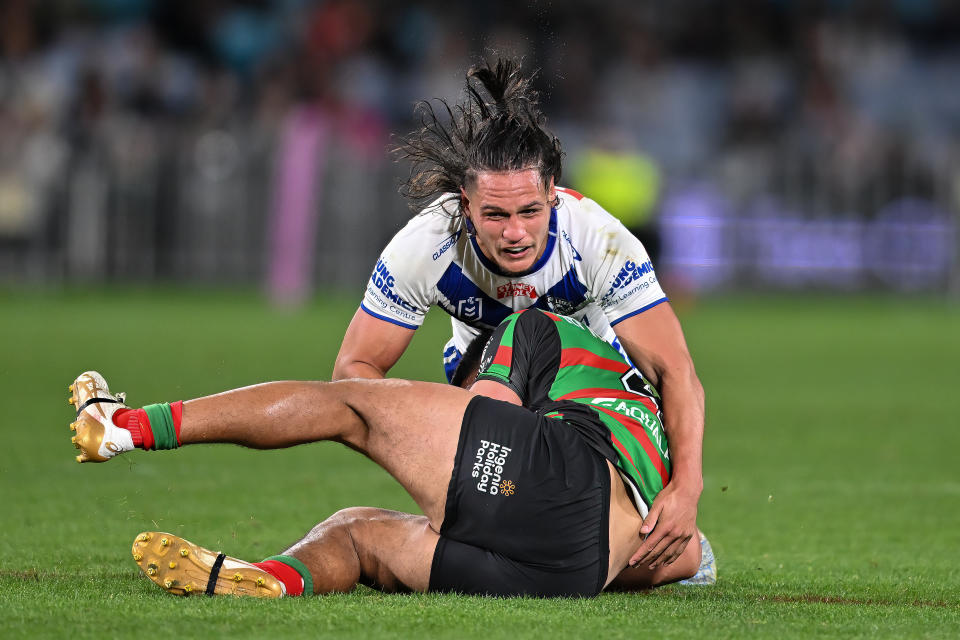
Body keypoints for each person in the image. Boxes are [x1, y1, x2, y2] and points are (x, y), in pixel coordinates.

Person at [333, 57, 705, 571]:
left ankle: (668, 542)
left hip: (596, 389)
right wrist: (419, 441)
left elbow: (674, 370)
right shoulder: (425, 246)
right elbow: (353, 374)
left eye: (530, 211)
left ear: (553, 193)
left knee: (611, 530)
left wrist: (686, 489)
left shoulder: (598, 240)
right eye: (495, 215)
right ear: (464, 205)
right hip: (482, 380)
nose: (515, 233)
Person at [68, 309, 713, 598]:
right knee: (358, 536)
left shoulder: (538, 327)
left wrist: (401, 429)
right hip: (572, 574)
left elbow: (487, 413)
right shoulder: (643, 423)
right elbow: (682, 555)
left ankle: (126, 425)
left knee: (350, 406)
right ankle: (272, 578)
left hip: (548, 480)